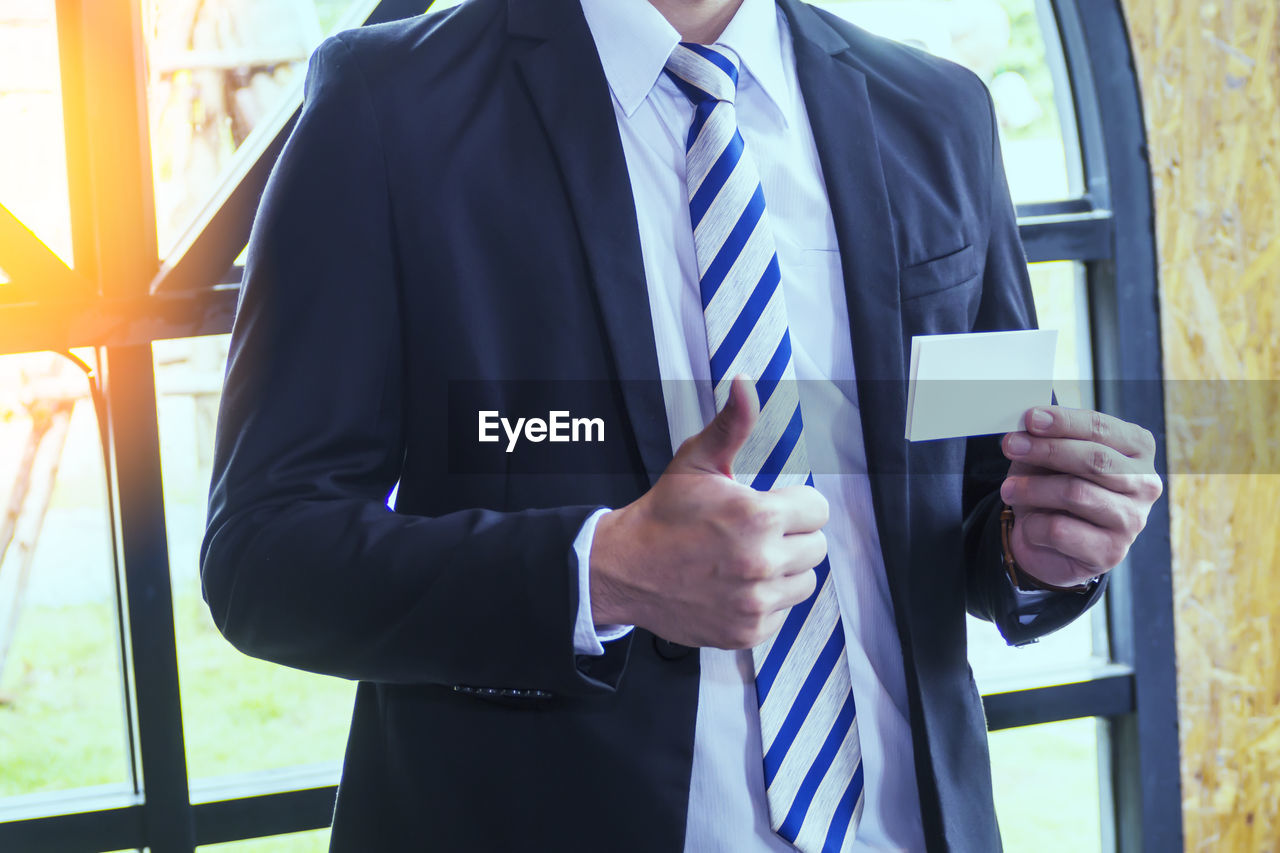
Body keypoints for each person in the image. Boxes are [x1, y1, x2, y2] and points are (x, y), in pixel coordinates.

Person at [201, 0, 1163, 849]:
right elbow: (265, 554)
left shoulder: (941, 114)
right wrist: (601, 571)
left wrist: (1041, 543)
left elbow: (976, 500)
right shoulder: (386, 108)